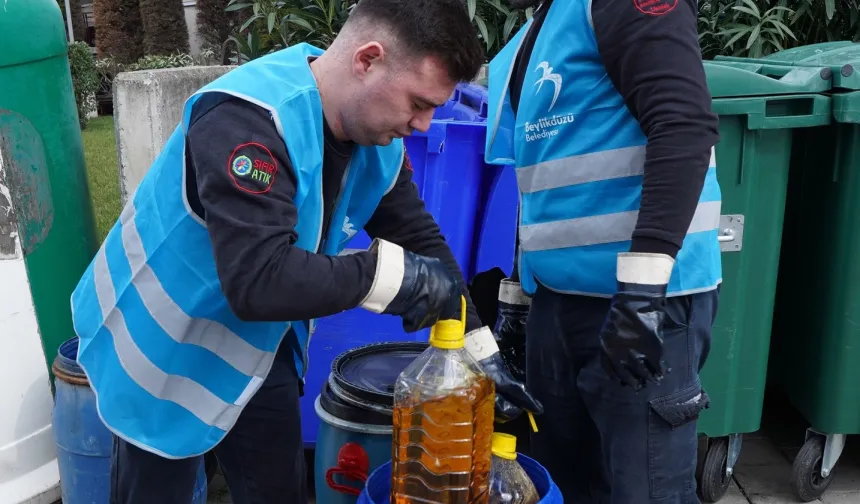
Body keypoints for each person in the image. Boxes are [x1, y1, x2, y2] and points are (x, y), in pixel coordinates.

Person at [69, 1, 539, 502]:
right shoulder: (246, 120)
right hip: (161, 346)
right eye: (418, 103)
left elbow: (421, 239)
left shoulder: (376, 138)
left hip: (256, 345)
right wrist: (390, 279)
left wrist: (478, 351)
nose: (423, 125)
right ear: (368, 59)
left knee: (277, 488)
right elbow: (258, 280)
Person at [485, 0, 722, 502]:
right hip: (556, 303)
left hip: (642, 307)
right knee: (560, 482)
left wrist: (641, 293)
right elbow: (542, 187)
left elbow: (682, 125)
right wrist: (519, 303)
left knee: (646, 488)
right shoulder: (538, 29)